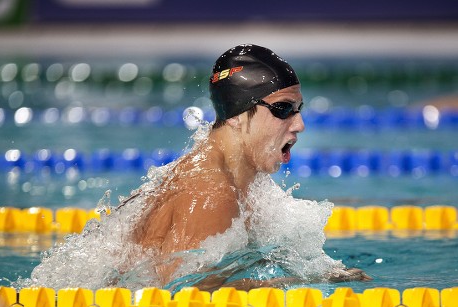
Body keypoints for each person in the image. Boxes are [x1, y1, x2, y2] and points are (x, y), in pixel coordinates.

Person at [127, 44, 371, 291]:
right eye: (283, 108)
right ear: (236, 113)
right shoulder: (211, 194)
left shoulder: (237, 179)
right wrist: (304, 282)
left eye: (299, 109)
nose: (299, 124)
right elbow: (186, 297)